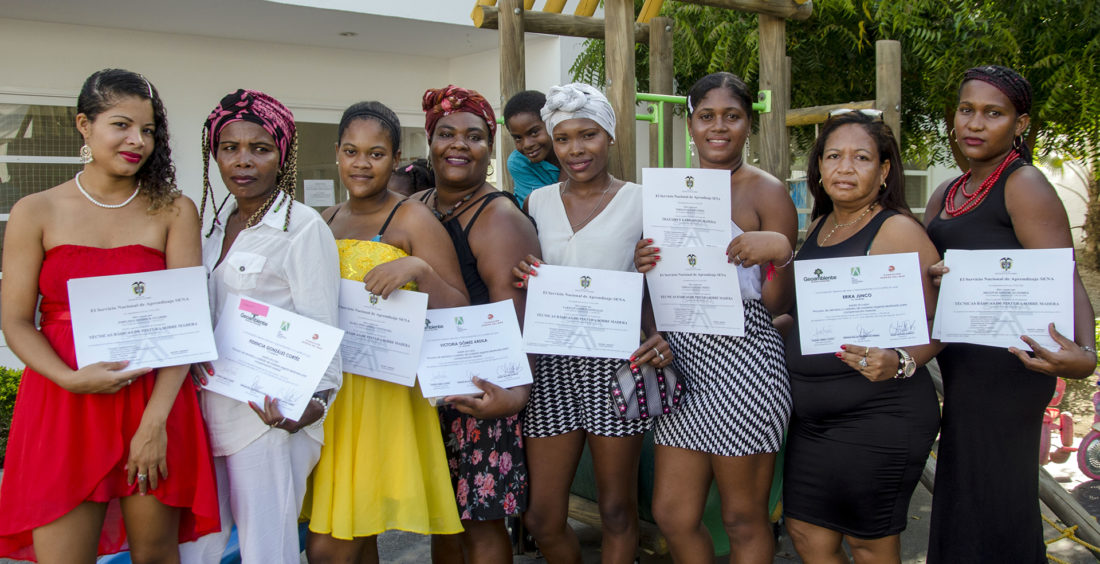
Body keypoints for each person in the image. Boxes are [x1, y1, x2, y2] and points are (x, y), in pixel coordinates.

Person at [0, 68, 219, 562]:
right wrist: (69, 378)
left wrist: (155, 422)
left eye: (147, 130)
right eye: (121, 125)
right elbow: (15, 320)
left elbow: (187, 323)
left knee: (156, 556)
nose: (136, 141)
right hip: (63, 404)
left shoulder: (173, 210)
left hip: (153, 403)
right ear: (84, 125)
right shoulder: (35, 211)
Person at [924, 65, 1097, 564]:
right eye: (966, 110)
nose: (974, 124)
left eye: (992, 113)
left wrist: (1086, 355)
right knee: (966, 494)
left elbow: (1065, 276)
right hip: (962, 366)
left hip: (1010, 369)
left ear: (1020, 124)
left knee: (997, 502)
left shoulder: (1023, 185)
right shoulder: (950, 192)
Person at [632, 72, 795, 564]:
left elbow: (779, 305)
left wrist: (780, 255)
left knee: (742, 517)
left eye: (732, 116)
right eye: (706, 116)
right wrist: (646, 283)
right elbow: (654, 293)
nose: (718, 127)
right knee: (673, 514)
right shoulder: (665, 193)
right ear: (691, 124)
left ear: (750, 124)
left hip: (744, 360)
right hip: (681, 362)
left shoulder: (768, 193)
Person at [179, 89, 341, 564]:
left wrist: (313, 404)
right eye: (230, 148)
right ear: (216, 154)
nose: (243, 161)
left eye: (260, 148)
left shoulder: (303, 228)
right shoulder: (213, 226)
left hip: (268, 417)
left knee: (266, 551)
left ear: (282, 154)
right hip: (207, 409)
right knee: (201, 547)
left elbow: (323, 323)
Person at [513, 83, 672, 564]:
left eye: (589, 135)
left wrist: (656, 294)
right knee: (541, 516)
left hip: (617, 365)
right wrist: (522, 272)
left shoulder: (645, 200)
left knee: (617, 510)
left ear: (610, 136)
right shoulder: (536, 201)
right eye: (563, 139)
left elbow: (671, 282)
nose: (575, 149)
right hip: (553, 369)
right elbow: (525, 272)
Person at [303, 101, 468, 563]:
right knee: (359, 531)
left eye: (376, 154)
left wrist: (417, 268)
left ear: (395, 159)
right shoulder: (325, 219)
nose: (361, 163)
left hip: (384, 396)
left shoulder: (412, 219)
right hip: (335, 393)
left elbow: (459, 308)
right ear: (337, 153)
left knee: (329, 548)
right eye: (352, 151)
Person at [781, 110, 941, 564]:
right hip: (813, 423)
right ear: (819, 167)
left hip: (879, 417)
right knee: (807, 532)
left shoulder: (896, 230)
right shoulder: (819, 226)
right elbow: (806, 315)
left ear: (884, 169)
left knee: (869, 544)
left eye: (861, 157)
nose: (844, 168)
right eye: (833, 156)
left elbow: (944, 320)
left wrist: (901, 359)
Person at [414, 85, 540, 563]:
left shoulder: (499, 217)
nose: (458, 144)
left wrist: (512, 394)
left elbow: (519, 320)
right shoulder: (417, 205)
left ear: (490, 149)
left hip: (480, 388)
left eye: (474, 135)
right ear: (430, 141)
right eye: (446, 133)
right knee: (442, 522)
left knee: (480, 525)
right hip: (425, 386)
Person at [503, 90, 562, 207]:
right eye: (518, 138)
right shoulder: (518, 162)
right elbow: (549, 206)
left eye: (534, 132)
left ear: (551, 123)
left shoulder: (573, 151)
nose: (527, 144)